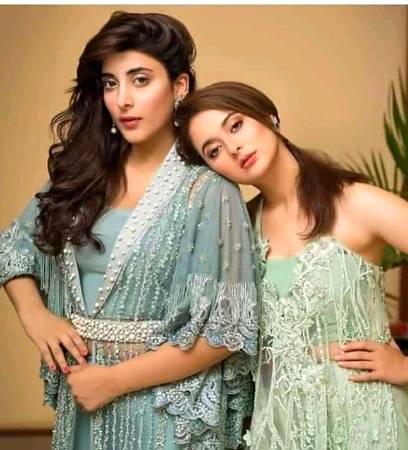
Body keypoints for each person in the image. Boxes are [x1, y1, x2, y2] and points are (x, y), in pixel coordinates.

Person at [0, 16, 259, 450]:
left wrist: (113, 380)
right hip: (81, 396)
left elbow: (228, 330)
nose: (123, 100)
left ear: (179, 86)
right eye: (110, 83)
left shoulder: (208, 189)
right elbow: (13, 246)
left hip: (162, 412)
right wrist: (35, 316)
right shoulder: (82, 176)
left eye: (140, 80)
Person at [174, 81, 408, 449]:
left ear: (268, 115)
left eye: (236, 125)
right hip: (280, 430)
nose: (233, 148)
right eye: (214, 150)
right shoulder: (239, 231)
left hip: (369, 424)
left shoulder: (358, 204)